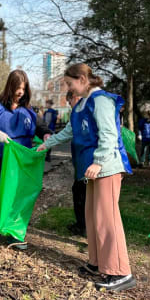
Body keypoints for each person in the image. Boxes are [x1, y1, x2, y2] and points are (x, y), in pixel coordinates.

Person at [37, 63, 136, 292]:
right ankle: (97, 262)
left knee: (107, 219)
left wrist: (99, 161)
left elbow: (110, 134)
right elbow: (70, 131)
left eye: (70, 83)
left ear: (82, 79)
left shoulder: (100, 100)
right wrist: (47, 144)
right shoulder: (82, 103)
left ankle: (120, 271)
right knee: (92, 217)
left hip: (107, 167)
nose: (68, 88)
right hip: (93, 170)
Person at [0, 69, 51, 250]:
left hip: (22, 163)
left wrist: (47, 135)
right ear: (10, 87)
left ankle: (14, 234)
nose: (20, 92)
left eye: (23, 88)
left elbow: (42, 127)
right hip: (2, 161)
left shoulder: (29, 112)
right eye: (17, 88)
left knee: (18, 197)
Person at [65, 91, 86, 237]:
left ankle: (83, 226)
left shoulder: (82, 113)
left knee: (81, 195)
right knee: (78, 191)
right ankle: (82, 225)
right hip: (80, 163)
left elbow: (66, 133)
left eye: (69, 102)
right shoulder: (78, 113)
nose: (69, 105)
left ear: (75, 98)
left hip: (86, 164)